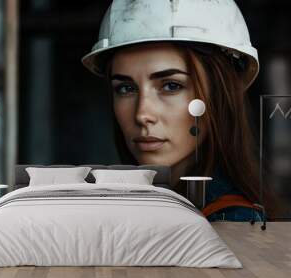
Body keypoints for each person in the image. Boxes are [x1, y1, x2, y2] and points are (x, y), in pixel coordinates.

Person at [82, 0, 265, 222]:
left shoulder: (234, 221)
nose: (142, 114)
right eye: (126, 88)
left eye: (171, 86)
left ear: (219, 95)